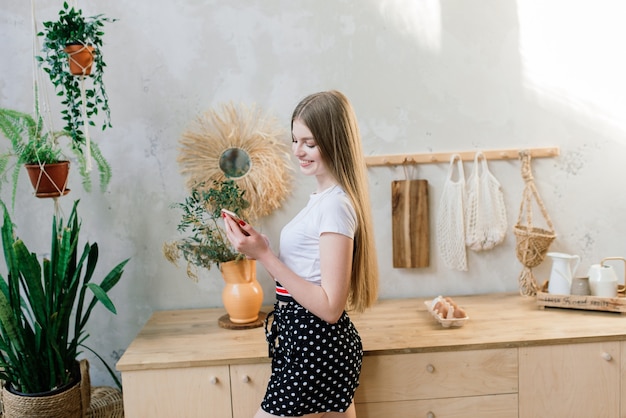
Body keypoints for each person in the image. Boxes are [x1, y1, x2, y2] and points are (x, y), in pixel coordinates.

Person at [224, 90, 379, 418]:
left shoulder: (336, 205)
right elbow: (298, 283)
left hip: (317, 350)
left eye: (309, 143)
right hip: (308, 347)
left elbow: (330, 307)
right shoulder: (321, 199)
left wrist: (267, 256)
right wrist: (262, 252)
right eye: (294, 140)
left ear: (334, 142)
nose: (298, 152)